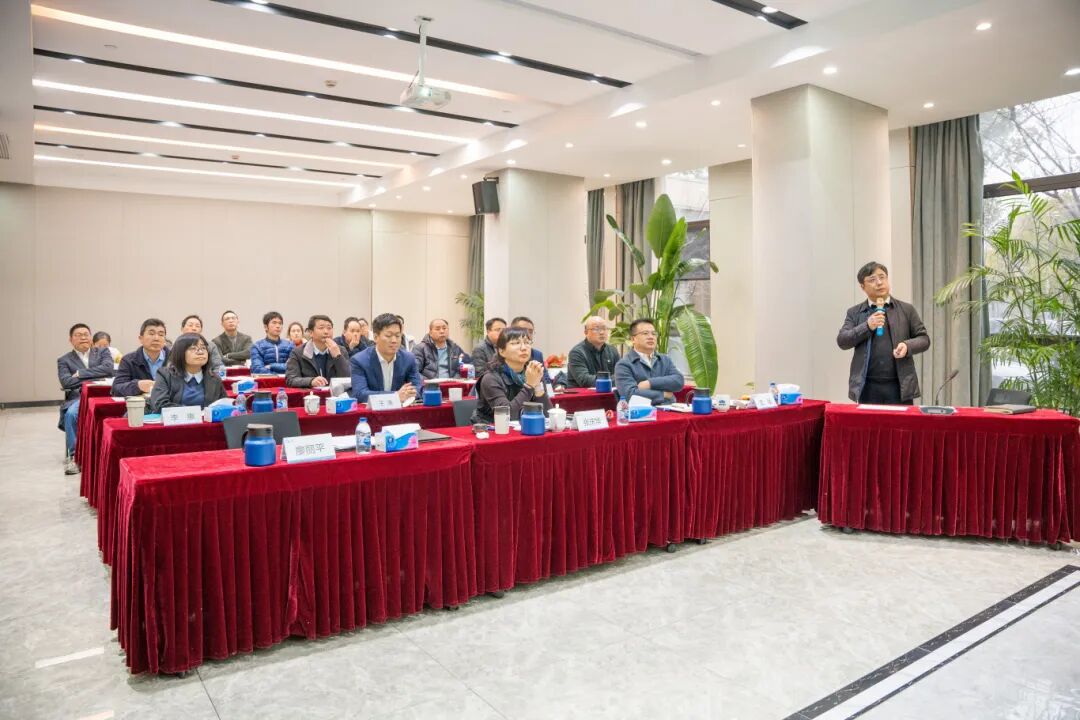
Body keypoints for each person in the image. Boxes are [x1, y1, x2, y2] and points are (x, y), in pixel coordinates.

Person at [837, 261, 930, 405]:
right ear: (862, 286)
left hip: (900, 386)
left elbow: (924, 339)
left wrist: (907, 346)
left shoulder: (906, 309)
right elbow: (843, 341)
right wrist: (867, 326)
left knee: (900, 420)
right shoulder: (855, 312)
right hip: (867, 387)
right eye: (872, 279)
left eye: (882, 277)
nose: (879, 283)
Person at [57, 323, 114, 474]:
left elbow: (108, 369)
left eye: (86, 334)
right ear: (71, 340)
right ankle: (75, 457)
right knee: (71, 414)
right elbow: (66, 382)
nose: (83, 337)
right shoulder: (64, 360)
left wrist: (80, 374)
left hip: (104, 395)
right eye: (78, 335)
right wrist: (96, 376)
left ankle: (109, 454)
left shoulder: (102, 352)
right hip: (79, 397)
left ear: (90, 337)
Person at [471, 326, 551, 424]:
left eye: (527, 342)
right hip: (491, 429)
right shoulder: (491, 378)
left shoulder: (533, 372)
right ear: (501, 351)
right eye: (516, 343)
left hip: (525, 427)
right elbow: (508, 416)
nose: (524, 348)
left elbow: (547, 416)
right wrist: (529, 386)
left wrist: (537, 386)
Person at [350, 313, 423, 403]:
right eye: (388, 336)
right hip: (372, 410)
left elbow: (418, 388)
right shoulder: (359, 360)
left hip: (401, 409)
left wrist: (409, 393)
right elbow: (360, 394)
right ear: (375, 337)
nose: (394, 340)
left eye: (398, 336)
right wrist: (395, 396)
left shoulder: (408, 359)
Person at [148, 333, 227, 412]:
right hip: (176, 420)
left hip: (206, 420)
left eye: (203, 348)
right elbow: (160, 404)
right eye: (193, 348)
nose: (200, 352)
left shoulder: (214, 379)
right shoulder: (165, 375)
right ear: (180, 352)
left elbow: (224, 405)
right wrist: (195, 413)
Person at [614, 318, 684, 406]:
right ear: (633, 339)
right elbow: (630, 395)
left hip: (669, 409)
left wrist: (649, 383)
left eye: (654, 334)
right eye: (645, 333)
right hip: (641, 412)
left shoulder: (664, 359)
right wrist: (663, 394)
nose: (651, 337)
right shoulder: (624, 365)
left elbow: (678, 381)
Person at [285, 315, 349, 388]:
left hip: (336, 394)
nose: (326, 332)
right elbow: (291, 379)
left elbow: (348, 378)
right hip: (310, 394)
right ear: (311, 333)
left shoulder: (341, 350)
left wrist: (338, 357)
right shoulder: (298, 353)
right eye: (321, 328)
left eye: (329, 328)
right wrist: (311, 381)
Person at [112, 318, 168, 398]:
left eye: (161, 335)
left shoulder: (174, 359)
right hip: (141, 404)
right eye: (151, 334)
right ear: (141, 339)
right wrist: (138, 386)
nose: (156, 338)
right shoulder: (129, 360)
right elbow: (116, 389)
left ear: (165, 340)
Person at [567, 316, 620, 389]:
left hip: (609, 393)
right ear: (586, 332)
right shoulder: (576, 353)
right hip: (583, 394)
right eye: (596, 329)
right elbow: (585, 380)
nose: (602, 332)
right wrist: (614, 380)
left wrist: (618, 379)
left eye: (604, 328)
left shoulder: (612, 350)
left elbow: (621, 374)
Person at [510, 316, 556, 387]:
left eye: (530, 332)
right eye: (523, 330)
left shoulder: (537, 354)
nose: (527, 334)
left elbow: (546, 381)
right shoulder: (506, 354)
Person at [471, 317, 506, 381]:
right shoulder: (480, 349)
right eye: (498, 330)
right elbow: (480, 374)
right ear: (488, 331)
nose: (502, 333)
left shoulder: (507, 347)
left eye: (504, 330)